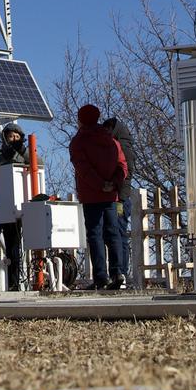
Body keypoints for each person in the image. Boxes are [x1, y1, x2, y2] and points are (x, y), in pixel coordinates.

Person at [71, 103, 130, 290]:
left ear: (81, 119)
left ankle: (100, 277)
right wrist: (113, 183)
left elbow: (83, 169)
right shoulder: (111, 140)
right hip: (111, 195)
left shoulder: (78, 141)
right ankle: (117, 272)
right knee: (113, 234)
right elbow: (123, 165)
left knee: (95, 235)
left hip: (91, 195)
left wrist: (99, 185)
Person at [0, 122, 28, 289]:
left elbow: (35, 162)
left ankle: (14, 284)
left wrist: (21, 152)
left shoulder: (23, 154)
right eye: (11, 136)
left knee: (14, 249)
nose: (14, 140)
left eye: (17, 137)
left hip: (13, 208)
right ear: (5, 137)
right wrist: (8, 154)